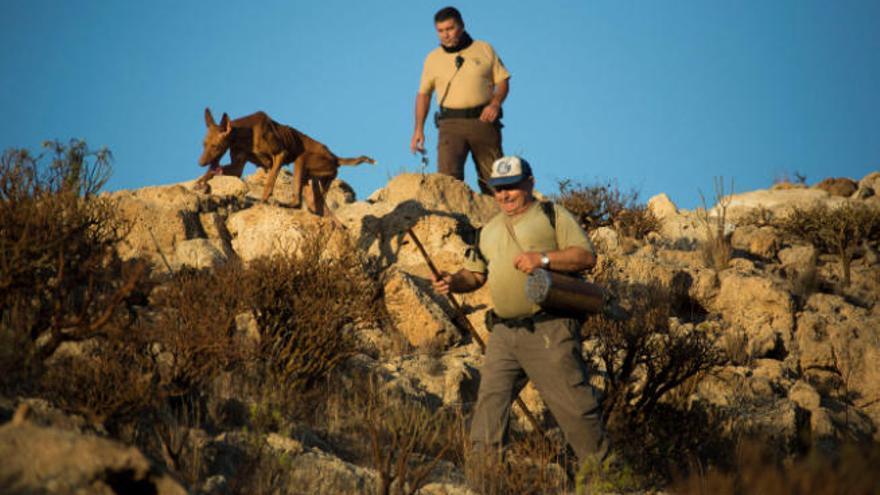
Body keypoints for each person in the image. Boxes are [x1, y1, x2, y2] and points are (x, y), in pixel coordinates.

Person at [432, 155, 609, 466]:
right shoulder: (488, 230)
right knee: (489, 408)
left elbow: (584, 256)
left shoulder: (551, 214)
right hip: (503, 333)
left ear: (530, 183)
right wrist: (452, 281)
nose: (504, 195)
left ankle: (605, 480)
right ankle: (484, 480)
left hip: (549, 328)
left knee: (576, 409)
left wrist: (542, 259)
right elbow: (475, 275)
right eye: (498, 189)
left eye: (511, 187)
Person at [410, 6, 510, 195]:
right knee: (448, 180)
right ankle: (456, 222)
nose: (446, 35)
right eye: (440, 31)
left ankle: (499, 219)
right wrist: (418, 129)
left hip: (484, 120)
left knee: (495, 179)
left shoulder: (484, 49)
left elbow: (503, 81)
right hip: (450, 124)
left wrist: (495, 103)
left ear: (462, 26)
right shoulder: (432, 59)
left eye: (450, 28)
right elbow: (423, 94)